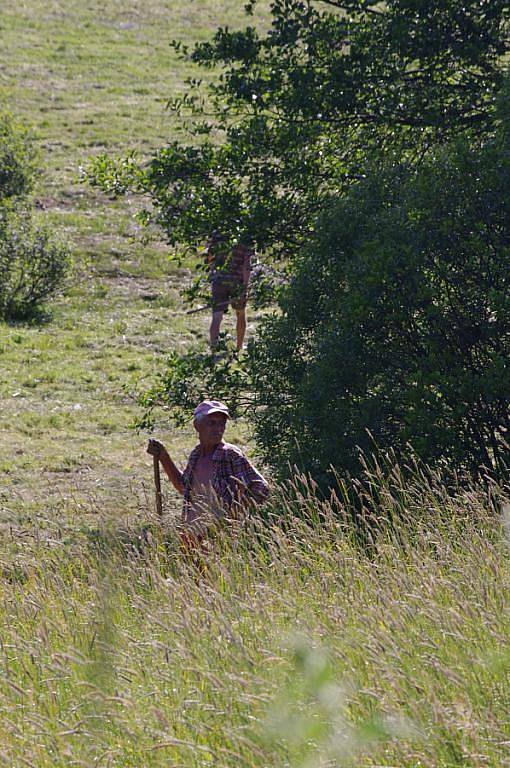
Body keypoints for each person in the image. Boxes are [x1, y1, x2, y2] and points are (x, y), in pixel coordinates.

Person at [146, 399, 269, 543]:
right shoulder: (196, 455)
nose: (218, 429)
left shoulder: (230, 454)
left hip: (219, 538)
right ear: (197, 425)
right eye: (211, 423)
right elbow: (183, 487)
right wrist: (163, 457)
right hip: (190, 535)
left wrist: (233, 514)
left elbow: (261, 487)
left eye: (221, 423)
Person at [206, 233, 253, 352]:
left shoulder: (218, 235)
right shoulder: (245, 237)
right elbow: (246, 266)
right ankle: (239, 347)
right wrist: (244, 288)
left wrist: (214, 273)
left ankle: (213, 349)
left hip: (219, 280)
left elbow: (210, 258)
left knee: (217, 316)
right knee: (240, 313)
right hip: (237, 282)